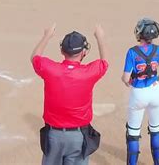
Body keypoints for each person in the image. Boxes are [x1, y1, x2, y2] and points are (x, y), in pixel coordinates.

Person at [31, 24, 108, 165]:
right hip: (78, 138)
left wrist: (46, 36)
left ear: (62, 50)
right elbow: (104, 63)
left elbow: (35, 58)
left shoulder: (51, 70)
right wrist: (100, 37)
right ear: (83, 52)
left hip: (54, 137)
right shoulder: (88, 73)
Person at [121, 18, 159, 165]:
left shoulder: (132, 52)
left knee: (133, 132)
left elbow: (126, 78)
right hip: (155, 92)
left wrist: (130, 81)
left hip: (138, 94)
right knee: (156, 128)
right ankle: (158, 162)